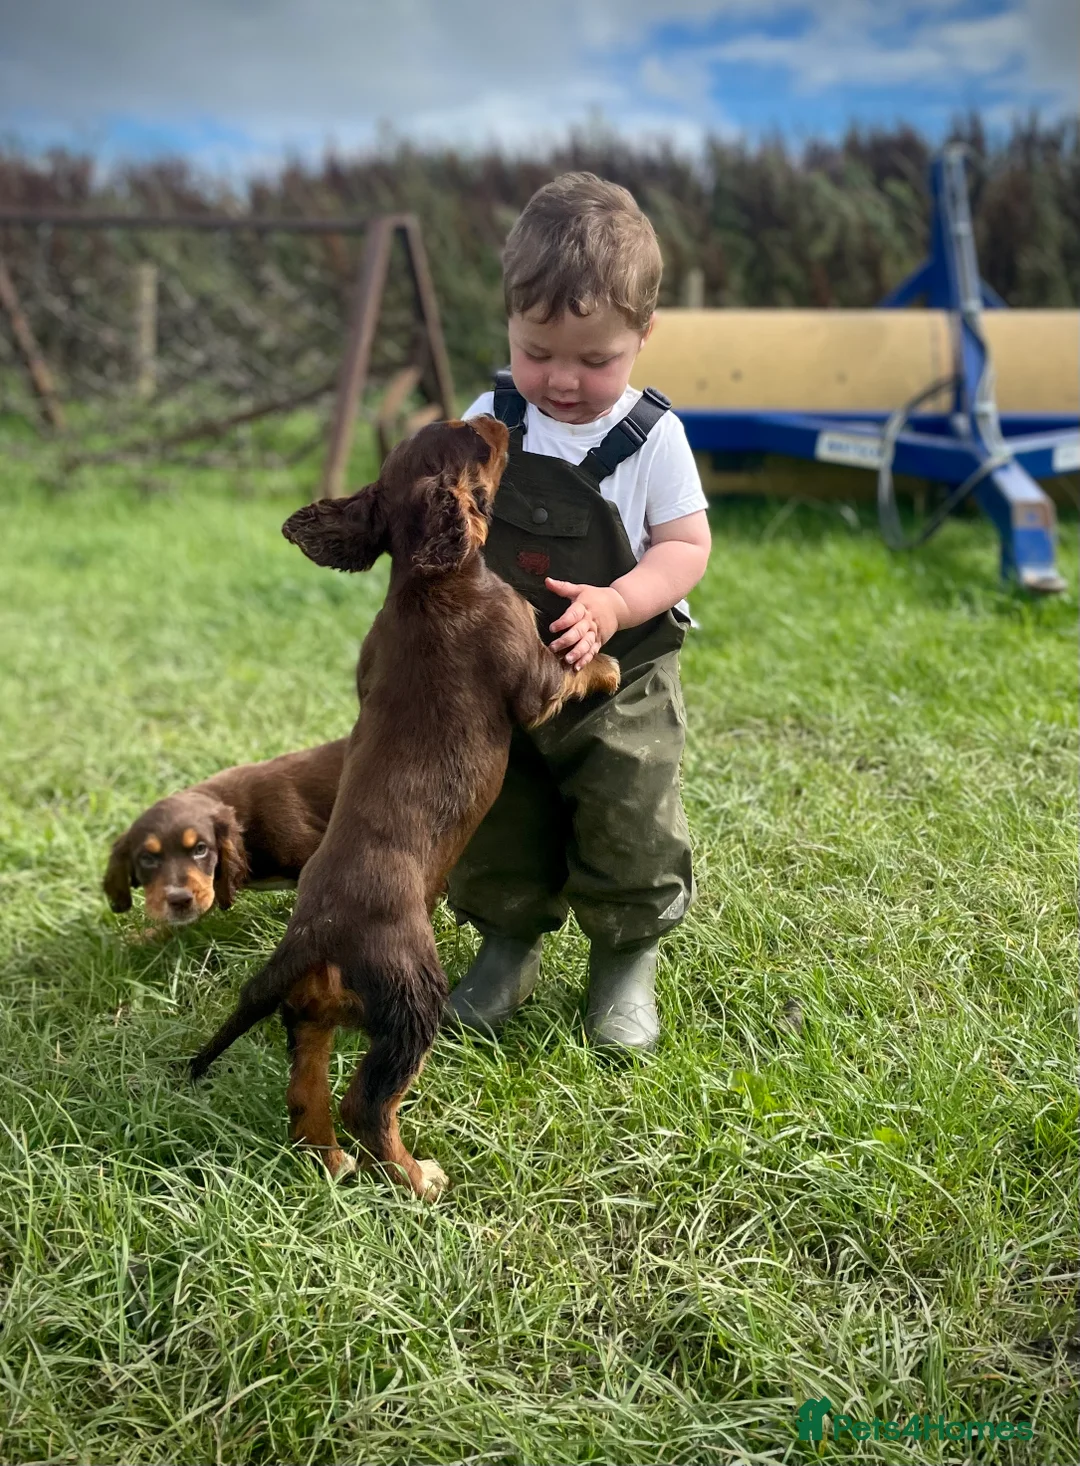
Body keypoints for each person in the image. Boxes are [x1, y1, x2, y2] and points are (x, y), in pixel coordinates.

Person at [445, 171, 711, 1052]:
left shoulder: (653, 438)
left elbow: (685, 548)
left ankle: (626, 958)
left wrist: (615, 598)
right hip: (503, 672)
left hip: (617, 677)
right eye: (537, 351)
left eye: (595, 360)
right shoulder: (492, 415)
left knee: (628, 813)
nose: (562, 380)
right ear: (510, 326)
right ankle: (506, 943)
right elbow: (456, 512)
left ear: (643, 335)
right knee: (498, 810)